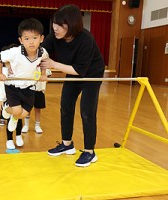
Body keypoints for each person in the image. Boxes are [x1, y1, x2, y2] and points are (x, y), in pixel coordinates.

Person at [40, 4, 105, 167]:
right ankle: (67, 144)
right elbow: (41, 52)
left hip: (91, 73)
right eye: (54, 23)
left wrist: (53, 64)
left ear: (72, 25)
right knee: (66, 106)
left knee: (87, 111)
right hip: (71, 70)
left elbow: (79, 69)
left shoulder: (86, 39)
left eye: (60, 25)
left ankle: (90, 152)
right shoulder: (54, 36)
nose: (55, 28)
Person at [0, 18, 48, 133]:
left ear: (41, 38)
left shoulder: (42, 52)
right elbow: (0, 57)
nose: (31, 42)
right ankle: (7, 107)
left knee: (23, 114)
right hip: (13, 86)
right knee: (17, 110)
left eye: (35, 38)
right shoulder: (14, 52)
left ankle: (13, 116)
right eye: (27, 38)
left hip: (29, 87)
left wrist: (43, 74)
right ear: (21, 40)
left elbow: (45, 61)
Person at [0, 63, 23, 149]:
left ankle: (18, 135)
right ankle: (9, 139)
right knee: (10, 119)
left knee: (18, 117)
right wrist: (1, 99)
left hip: (20, 95)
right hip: (9, 96)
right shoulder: (4, 70)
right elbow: (1, 85)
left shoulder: (20, 68)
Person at [21, 69, 52, 134]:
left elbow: (49, 74)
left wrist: (45, 80)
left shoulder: (43, 68)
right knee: (27, 109)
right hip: (29, 90)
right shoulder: (30, 66)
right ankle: (26, 125)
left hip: (39, 90)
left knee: (38, 109)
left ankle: (37, 126)